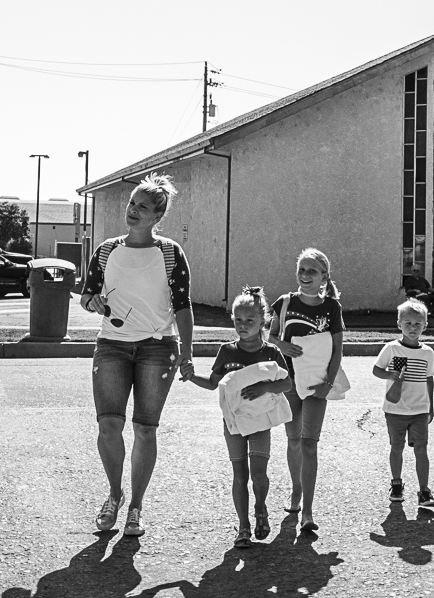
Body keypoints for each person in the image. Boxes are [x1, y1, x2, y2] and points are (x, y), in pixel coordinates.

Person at [79, 174, 195, 537]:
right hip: (111, 344)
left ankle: (136, 507)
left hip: (158, 348)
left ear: (157, 216)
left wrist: (188, 351)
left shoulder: (171, 252)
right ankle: (114, 494)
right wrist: (92, 303)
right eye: (132, 203)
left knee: (145, 429)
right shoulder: (107, 250)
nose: (133, 210)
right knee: (108, 425)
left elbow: (182, 305)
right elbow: (86, 295)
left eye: (143, 207)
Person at [182, 287, 293, 549]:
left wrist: (265, 387)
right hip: (232, 422)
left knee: (258, 473)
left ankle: (261, 507)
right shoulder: (227, 352)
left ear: (262, 321)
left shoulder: (271, 353)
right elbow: (213, 383)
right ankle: (243, 526)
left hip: (260, 421)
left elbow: (287, 384)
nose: (243, 326)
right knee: (239, 474)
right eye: (238, 320)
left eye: (250, 321)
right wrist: (189, 375)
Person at [269, 247, 345, 534]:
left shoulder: (331, 308)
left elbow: (338, 349)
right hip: (288, 382)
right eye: (301, 270)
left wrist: (328, 383)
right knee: (293, 441)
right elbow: (271, 335)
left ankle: (308, 512)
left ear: (324, 276)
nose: (305, 276)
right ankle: (295, 493)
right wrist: (281, 345)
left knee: (309, 443)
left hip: (316, 384)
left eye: (311, 271)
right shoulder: (285, 302)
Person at [372, 298, 434, 509]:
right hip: (395, 409)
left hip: (420, 409)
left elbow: (429, 379)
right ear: (399, 324)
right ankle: (397, 484)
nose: (413, 327)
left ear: (425, 325)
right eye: (408, 323)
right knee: (397, 447)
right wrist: (391, 374)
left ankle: (424, 490)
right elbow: (376, 370)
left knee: (421, 449)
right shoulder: (392, 349)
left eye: (418, 324)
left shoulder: (427, 352)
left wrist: (431, 406)